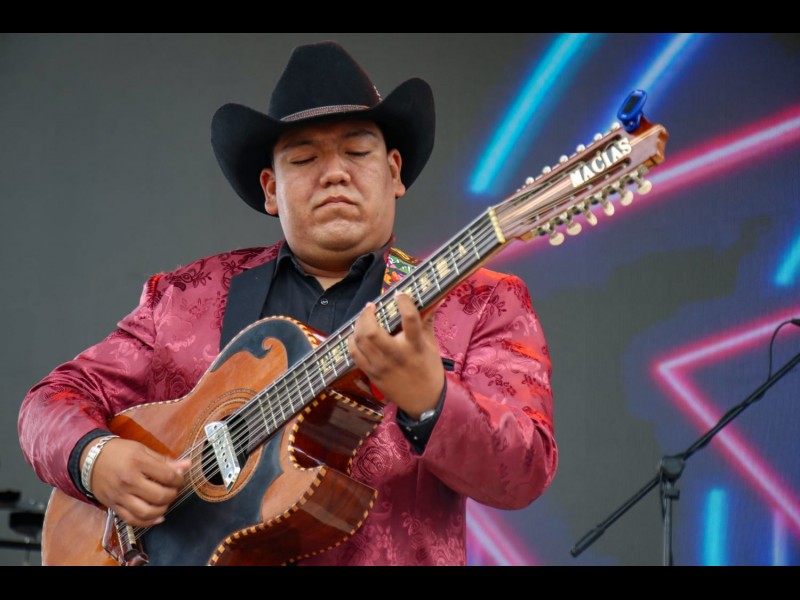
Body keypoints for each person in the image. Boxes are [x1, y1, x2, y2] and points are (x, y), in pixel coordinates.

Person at [18, 40, 557, 566]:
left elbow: (524, 472)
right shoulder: (185, 298)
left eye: (357, 151)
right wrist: (95, 458)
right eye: (303, 158)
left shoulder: (480, 303)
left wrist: (431, 401)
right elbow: (49, 402)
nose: (335, 172)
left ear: (394, 172)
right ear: (271, 189)